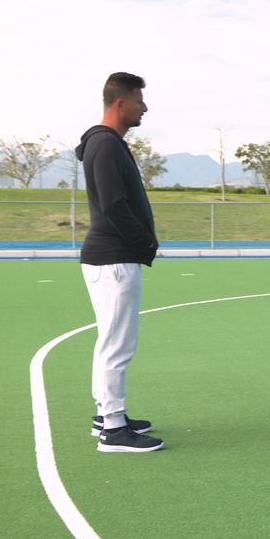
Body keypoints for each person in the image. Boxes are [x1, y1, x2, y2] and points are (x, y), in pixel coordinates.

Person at [76, 72, 163, 453]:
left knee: (109, 340)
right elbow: (114, 205)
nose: (144, 107)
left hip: (110, 257)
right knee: (118, 344)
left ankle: (106, 415)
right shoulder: (106, 145)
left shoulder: (106, 143)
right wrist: (144, 241)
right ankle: (113, 429)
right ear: (119, 103)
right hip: (114, 259)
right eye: (139, 100)